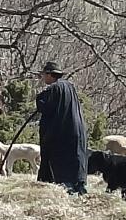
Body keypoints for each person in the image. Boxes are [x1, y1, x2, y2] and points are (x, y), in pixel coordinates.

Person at [34, 61, 88, 195]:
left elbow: (45, 107)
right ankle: (79, 190)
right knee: (75, 162)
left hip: (62, 135)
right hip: (76, 132)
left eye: (44, 75)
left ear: (49, 75)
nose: (43, 78)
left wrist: (39, 99)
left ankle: (66, 190)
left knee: (62, 166)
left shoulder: (54, 89)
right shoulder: (70, 87)